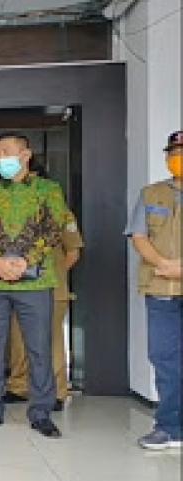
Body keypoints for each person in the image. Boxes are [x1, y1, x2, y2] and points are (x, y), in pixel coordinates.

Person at [0, 132, 69, 438]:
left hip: (35, 280)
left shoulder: (48, 190)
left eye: (6, 151)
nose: (1, 158)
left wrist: (26, 261)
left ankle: (41, 412)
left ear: (26, 155)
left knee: (38, 347)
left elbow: (54, 228)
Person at [125, 130, 183, 450]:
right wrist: (165, 264)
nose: (178, 157)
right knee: (165, 358)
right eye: (173, 152)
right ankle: (169, 426)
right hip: (161, 287)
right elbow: (139, 236)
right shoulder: (151, 195)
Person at [5, 191, 83, 412]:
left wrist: (53, 275)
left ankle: (57, 392)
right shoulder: (13, 212)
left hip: (51, 288)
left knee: (51, 340)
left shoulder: (62, 215)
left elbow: (73, 253)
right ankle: (19, 387)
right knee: (18, 338)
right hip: (19, 287)